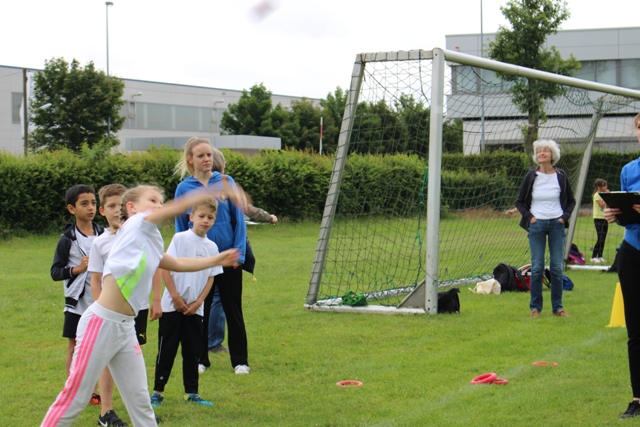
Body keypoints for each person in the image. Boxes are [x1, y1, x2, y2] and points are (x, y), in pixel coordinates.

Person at [41, 184, 241, 427]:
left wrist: (217, 259)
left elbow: (178, 263)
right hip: (101, 323)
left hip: (125, 328)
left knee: (141, 404)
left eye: (160, 201)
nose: (159, 205)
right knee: (75, 398)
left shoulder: (150, 238)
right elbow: (174, 209)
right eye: (153, 200)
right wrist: (212, 190)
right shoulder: (136, 224)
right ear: (132, 207)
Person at [174, 138, 251, 375]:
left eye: (209, 154)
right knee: (201, 310)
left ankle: (240, 362)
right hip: (199, 262)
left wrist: (239, 252)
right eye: (201, 156)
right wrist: (184, 261)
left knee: (233, 311)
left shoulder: (226, 182)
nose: (207, 159)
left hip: (228, 258)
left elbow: (239, 220)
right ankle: (200, 359)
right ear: (190, 160)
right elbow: (180, 227)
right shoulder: (184, 189)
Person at [150, 196, 222, 408]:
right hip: (172, 307)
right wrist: (174, 296)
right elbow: (165, 267)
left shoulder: (212, 247)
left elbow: (211, 277)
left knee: (192, 352)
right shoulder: (180, 239)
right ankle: (157, 392)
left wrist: (198, 302)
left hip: (195, 310)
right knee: (167, 350)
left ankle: (192, 392)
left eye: (210, 217)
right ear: (191, 217)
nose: (205, 220)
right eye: (201, 216)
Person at [50, 184, 105, 406]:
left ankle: (94, 391)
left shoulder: (104, 234)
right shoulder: (67, 239)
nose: (90, 208)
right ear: (72, 209)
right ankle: (73, 390)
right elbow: (55, 272)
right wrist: (77, 269)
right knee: (74, 346)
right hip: (77, 302)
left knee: (99, 347)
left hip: (102, 300)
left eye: (93, 203)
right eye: (84, 204)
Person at [604, 112, 640, 419]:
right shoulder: (629, 170)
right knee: (636, 330)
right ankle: (638, 398)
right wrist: (614, 215)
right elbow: (627, 215)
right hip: (632, 253)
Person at [515, 139, 575, 318]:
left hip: (557, 225)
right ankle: (535, 308)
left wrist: (563, 218)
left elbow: (571, 201)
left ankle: (558, 308)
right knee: (537, 266)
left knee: (556, 267)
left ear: (552, 155)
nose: (541, 154)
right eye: (538, 151)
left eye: (545, 151)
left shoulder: (561, 176)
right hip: (537, 225)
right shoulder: (531, 176)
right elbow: (519, 202)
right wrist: (531, 218)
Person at [87, 184, 129, 427]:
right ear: (102, 210)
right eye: (112, 206)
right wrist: (99, 309)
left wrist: (154, 300)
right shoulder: (100, 243)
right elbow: (95, 279)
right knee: (107, 359)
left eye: (121, 205)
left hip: (133, 311)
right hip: (108, 313)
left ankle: (139, 410)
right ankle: (106, 410)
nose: (117, 210)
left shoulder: (137, 237)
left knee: (130, 359)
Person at [591, 178, 609, 263]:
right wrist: (607, 196)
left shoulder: (603, 194)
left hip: (604, 218)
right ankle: (593, 256)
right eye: (604, 185)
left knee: (603, 238)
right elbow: (601, 205)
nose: (606, 187)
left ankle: (600, 256)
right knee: (600, 238)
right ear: (599, 187)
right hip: (598, 219)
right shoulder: (597, 195)